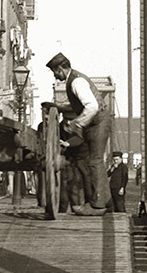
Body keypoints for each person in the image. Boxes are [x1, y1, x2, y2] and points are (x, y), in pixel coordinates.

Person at [46, 53, 112, 216]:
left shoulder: (76, 82)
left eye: (55, 72)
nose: (55, 76)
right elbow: (81, 105)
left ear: (60, 68)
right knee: (95, 161)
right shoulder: (74, 80)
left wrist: (77, 123)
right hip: (97, 122)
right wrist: (60, 108)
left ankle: (97, 206)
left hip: (98, 123)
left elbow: (91, 106)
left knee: (95, 161)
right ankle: (104, 201)